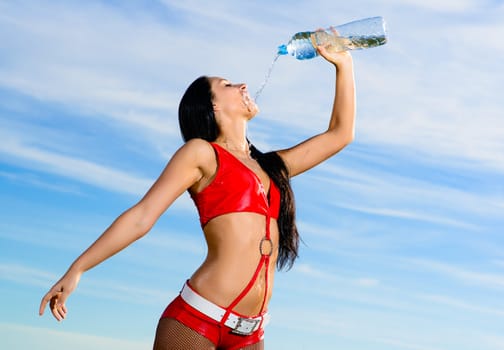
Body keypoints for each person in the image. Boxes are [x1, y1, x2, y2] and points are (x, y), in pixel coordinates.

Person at [39, 44, 356, 350]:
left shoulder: (273, 167)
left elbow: (340, 134)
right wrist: (78, 268)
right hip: (197, 321)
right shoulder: (202, 154)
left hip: (252, 331)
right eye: (228, 84)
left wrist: (343, 65)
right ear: (213, 106)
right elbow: (142, 216)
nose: (242, 84)